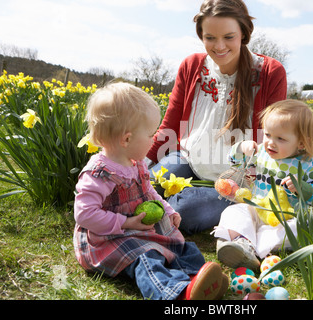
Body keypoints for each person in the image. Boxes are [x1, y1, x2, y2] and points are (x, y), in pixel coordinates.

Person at [73, 82, 228, 300]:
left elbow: (149, 193)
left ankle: (201, 281)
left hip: (138, 228)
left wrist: (167, 209)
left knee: (183, 246)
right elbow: (84, 214)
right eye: (149, 134)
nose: (154, 139)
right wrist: (125, 223)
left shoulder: (136, 163)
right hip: (110, 238)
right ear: (127, 139)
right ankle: (176, 295)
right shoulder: (100, 173)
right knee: (147, 258)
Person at [147, 0, 288, 235]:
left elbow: (274, 136)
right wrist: (139, 165)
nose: (219, 46)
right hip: (188, 159)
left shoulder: (270, 72)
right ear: (201, 35)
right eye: (210, 37)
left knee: (183, 211)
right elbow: (170, 124)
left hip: (239, 178)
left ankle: (211, 205)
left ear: (244, 33)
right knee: (143, 187)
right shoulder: (192, 66)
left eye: (229, 37)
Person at [213, 100, 313, 270]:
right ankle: (244, 245)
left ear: (302, 143)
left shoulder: (310, 165)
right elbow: (234, 162)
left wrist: (302, 188)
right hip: (258, 209)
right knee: (234, 211)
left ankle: (247, 245)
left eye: (280, 138)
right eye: (267, 135)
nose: (270, 143)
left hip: (286, 218)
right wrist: (241, 148)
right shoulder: (262, 154)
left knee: (298, 228)